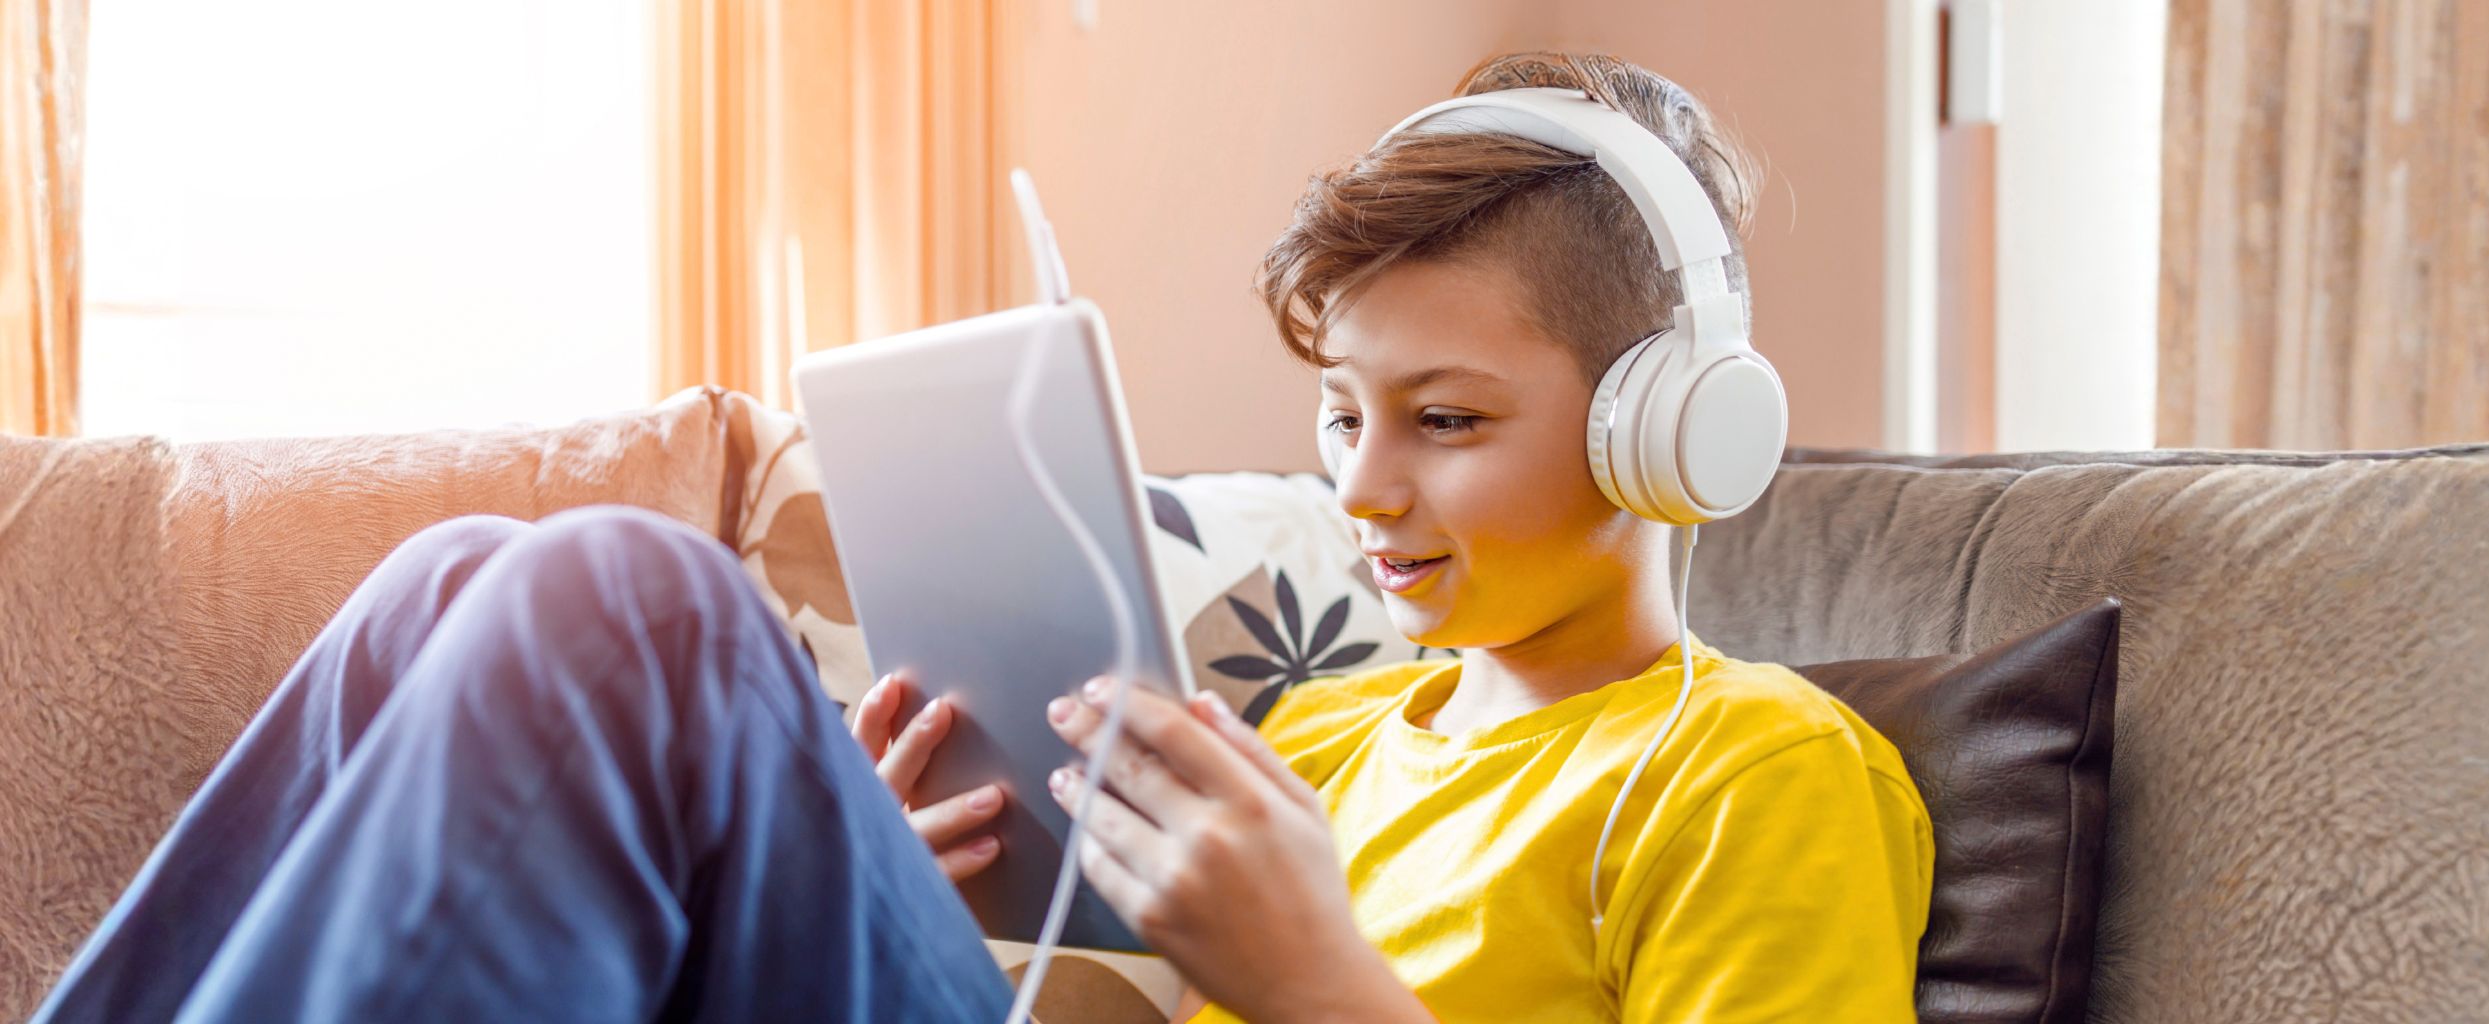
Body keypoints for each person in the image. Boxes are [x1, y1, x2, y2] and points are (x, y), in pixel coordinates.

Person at [33, 52, 1929, 1024]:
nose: (1362, 489)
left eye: (1444, 425)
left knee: (629, 607)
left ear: (1666, 434)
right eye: (1343, 415)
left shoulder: (1752, 774)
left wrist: (1321, 984)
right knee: (442, 595)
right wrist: (902, 895)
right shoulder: (1324, 741)